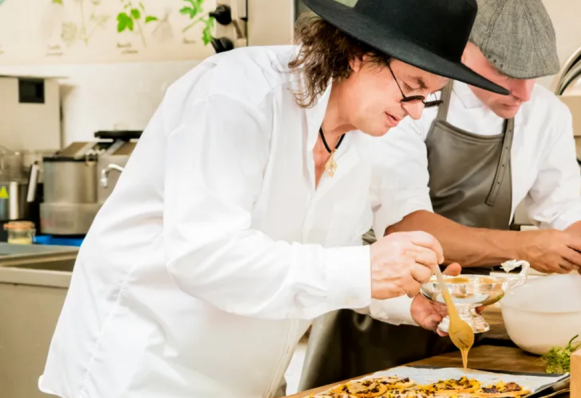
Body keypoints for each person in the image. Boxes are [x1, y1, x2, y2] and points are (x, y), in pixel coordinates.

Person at [36, 0, 510, 397]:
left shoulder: (369, 136)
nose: (411, 113)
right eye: (411, 89)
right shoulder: (235, 96)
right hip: (144, 371)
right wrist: (365, 269)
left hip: (249, 379)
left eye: (427, 99)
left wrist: (408, 303)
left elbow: (321, 259)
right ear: (359, 55)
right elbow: (206, 257)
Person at [298, 0, 581, 390]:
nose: (522, 93)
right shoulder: (409, 96)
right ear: (463, 49)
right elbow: (405, 223)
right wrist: (524, 246)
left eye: (534, 75)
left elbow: (565, 206)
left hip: (466, 316)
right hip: (376, 314)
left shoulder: (546, 114)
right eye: (506, 72)